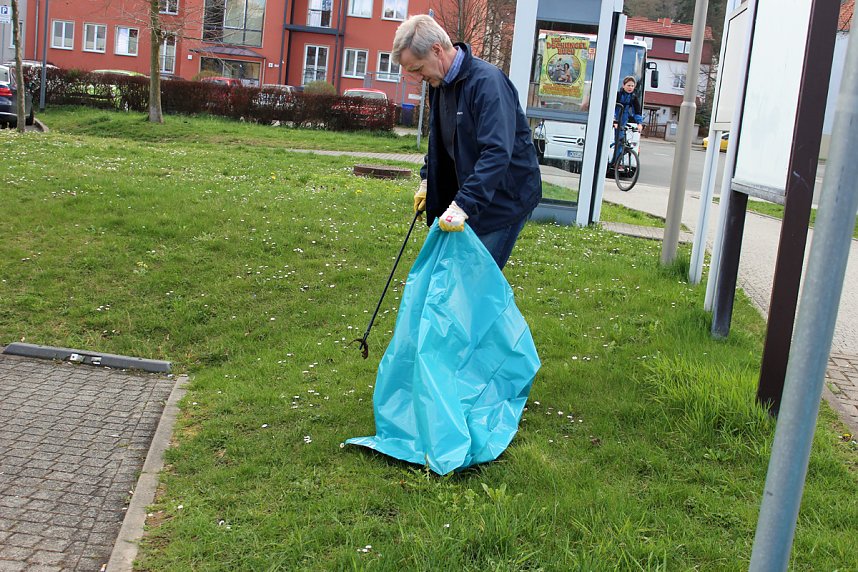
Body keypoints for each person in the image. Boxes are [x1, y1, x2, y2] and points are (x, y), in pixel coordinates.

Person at [392, 15, 542, 270]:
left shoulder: (487, 83)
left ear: (437, 50)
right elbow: (439, 139)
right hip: (475, 195)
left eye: (418, 69)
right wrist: (428, 179)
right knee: (456, 279)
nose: (419, 77)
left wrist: (462, 205)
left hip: (505, 199)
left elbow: (496, 153)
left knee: (474, 283)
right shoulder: (441, 84)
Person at [610, 75, 644, 166]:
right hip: (615, 119)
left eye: (632, 86)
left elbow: (637, 111)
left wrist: (639, 123)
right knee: (617, 140)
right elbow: (611, 108)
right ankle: (614, 161)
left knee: (622, 142)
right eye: (628, 85)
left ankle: (616, 162)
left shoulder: (633, 98)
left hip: (623, 120)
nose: (630, 88)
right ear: (623, 85)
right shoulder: (618, 95)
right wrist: (614, 121)